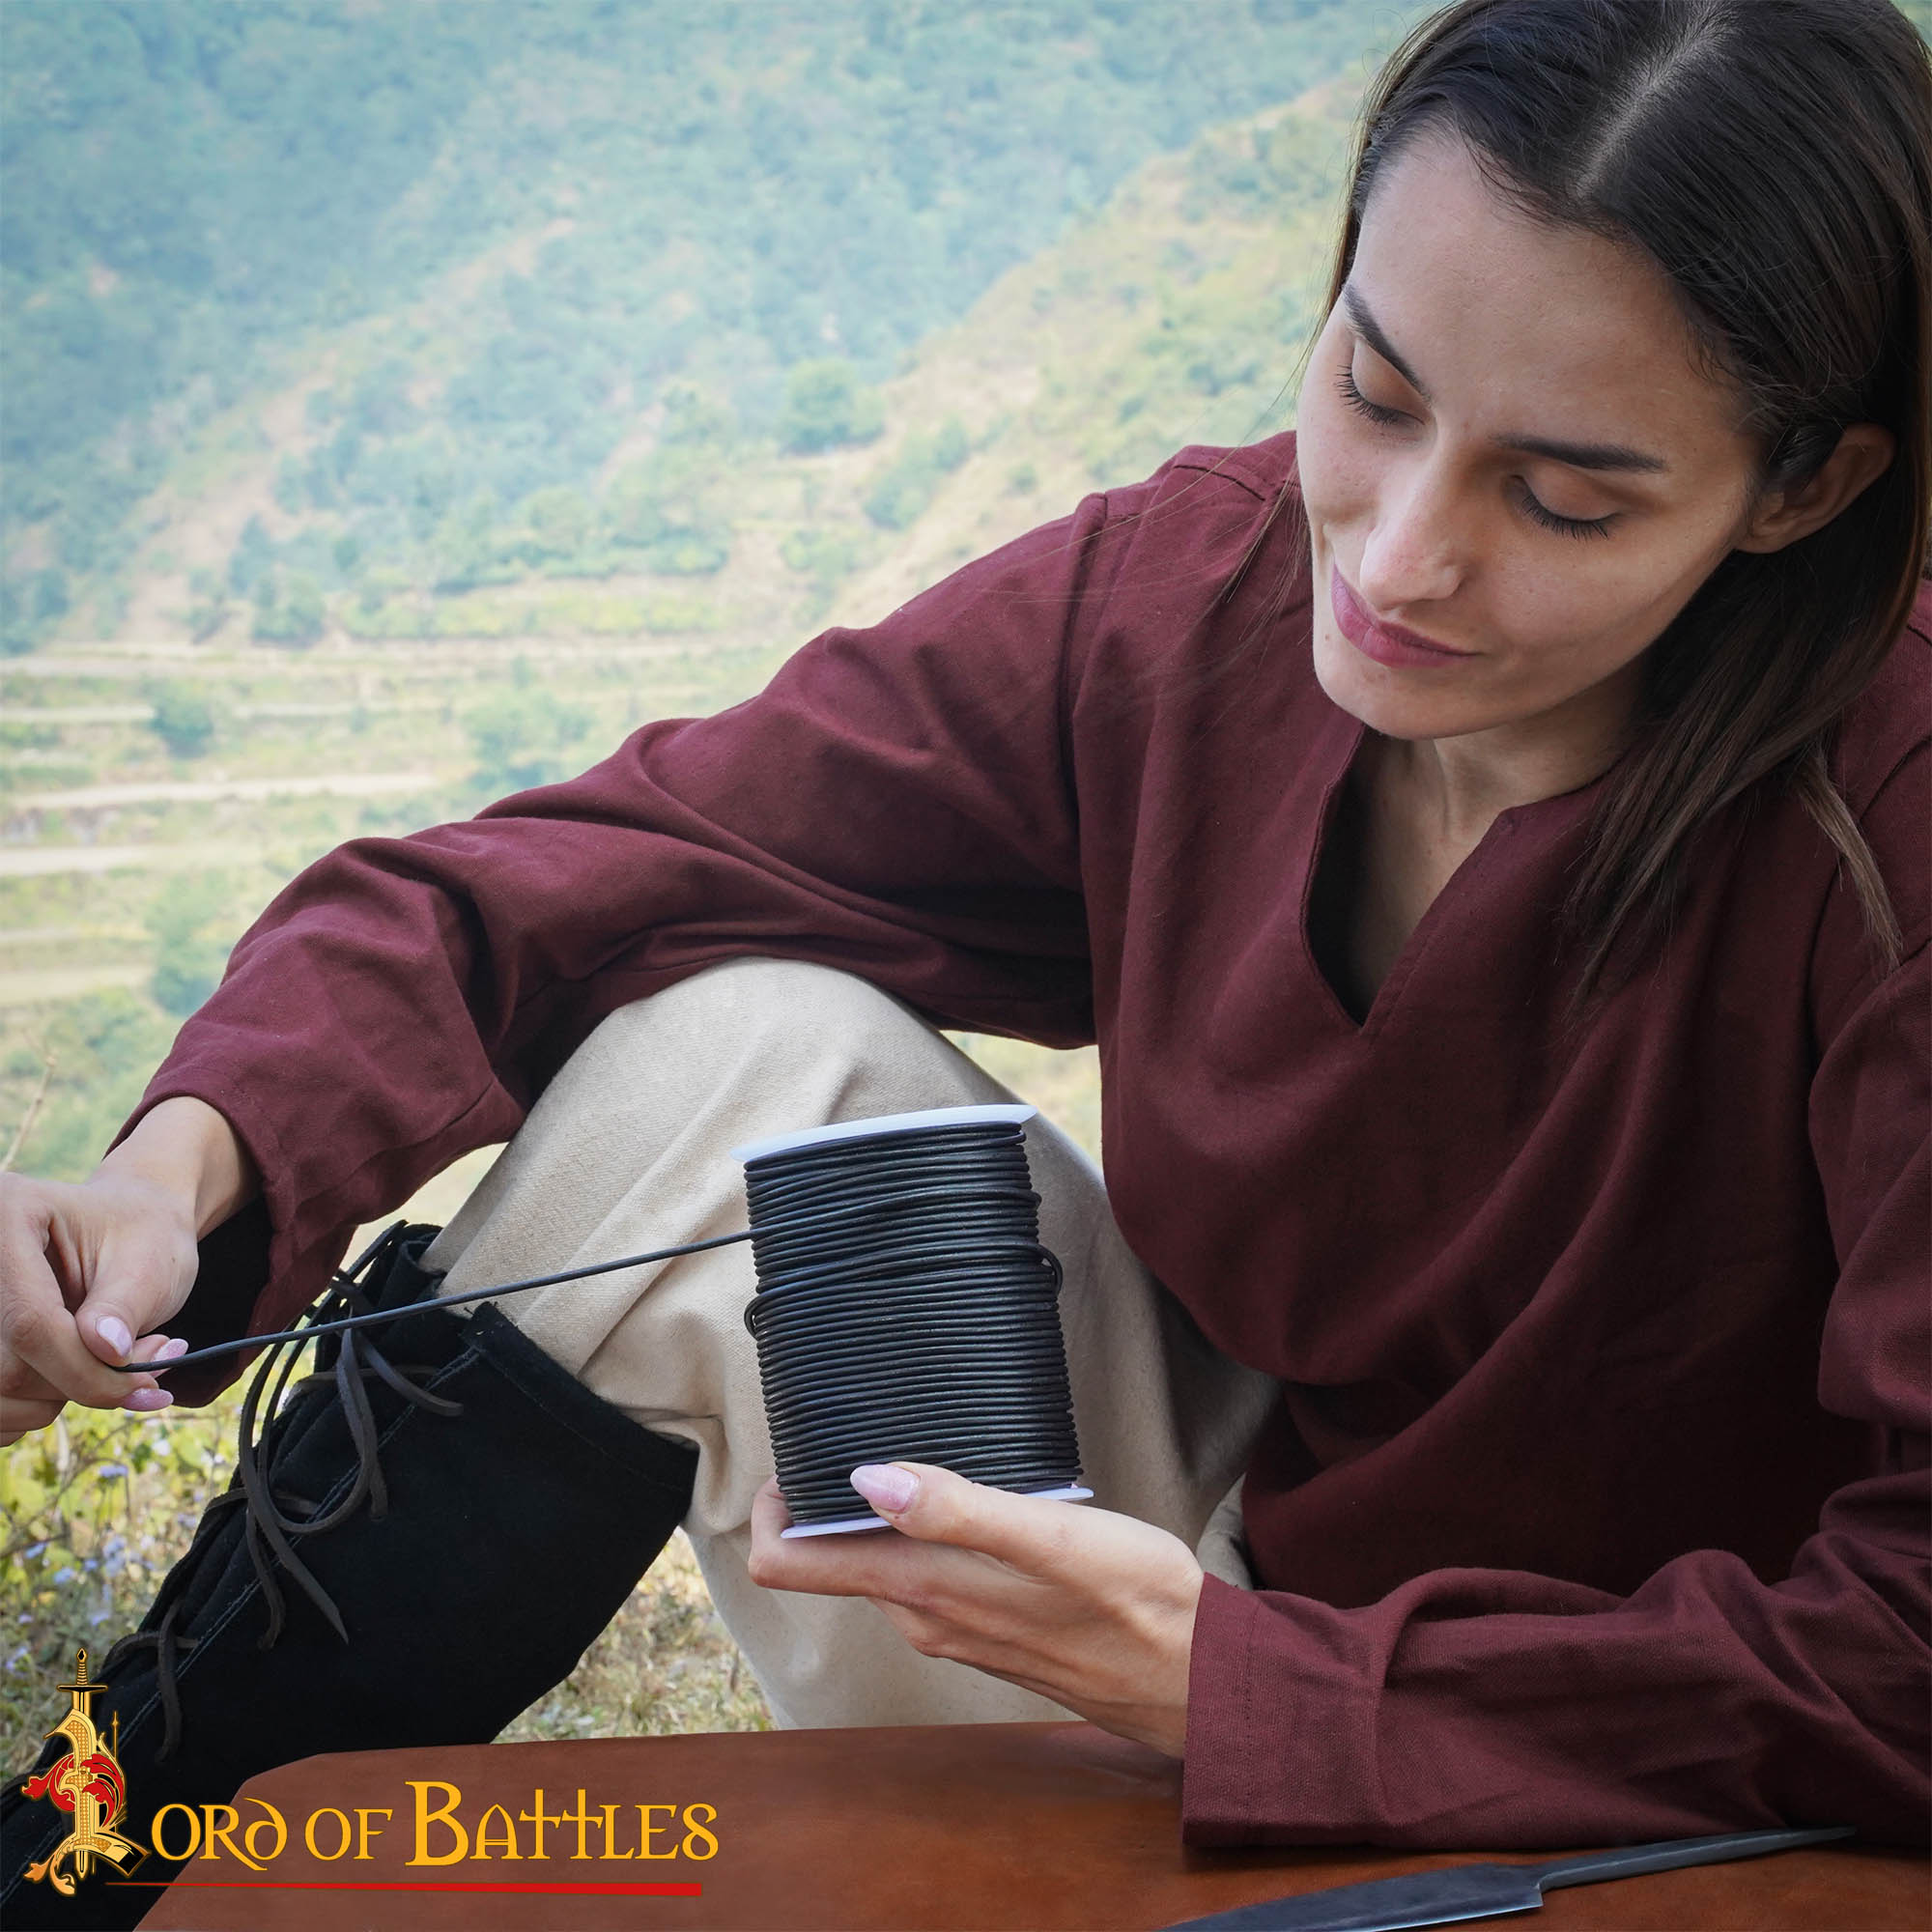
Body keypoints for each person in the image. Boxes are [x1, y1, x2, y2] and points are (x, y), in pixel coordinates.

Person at [3, 0, 1927, 1901]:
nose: (1398, 554)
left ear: (1804, 487)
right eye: (1375, 389)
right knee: (739, 1058)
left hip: (1648, 1775)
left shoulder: (1895, 807)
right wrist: (169, 1172)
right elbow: (583, 877)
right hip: (1199, 1585)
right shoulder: (1194, 600)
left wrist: (1259, 1687)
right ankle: (101, 1854)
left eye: (1563, 496)